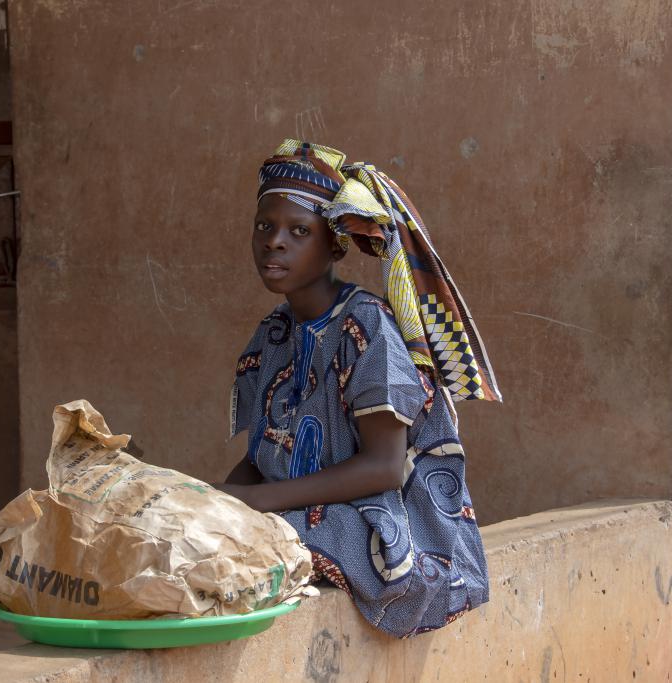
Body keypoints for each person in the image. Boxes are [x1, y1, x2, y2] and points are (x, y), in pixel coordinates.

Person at [215, 139, 502, 637]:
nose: (274, 241)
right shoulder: (273, 334)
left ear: (333, 245)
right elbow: (261, 459)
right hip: (299, 508)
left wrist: (256, 505)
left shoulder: (365, 327)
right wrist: (213, 500)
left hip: (387, 526)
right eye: (265, 226)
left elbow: (385, 467)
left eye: (298, 231)